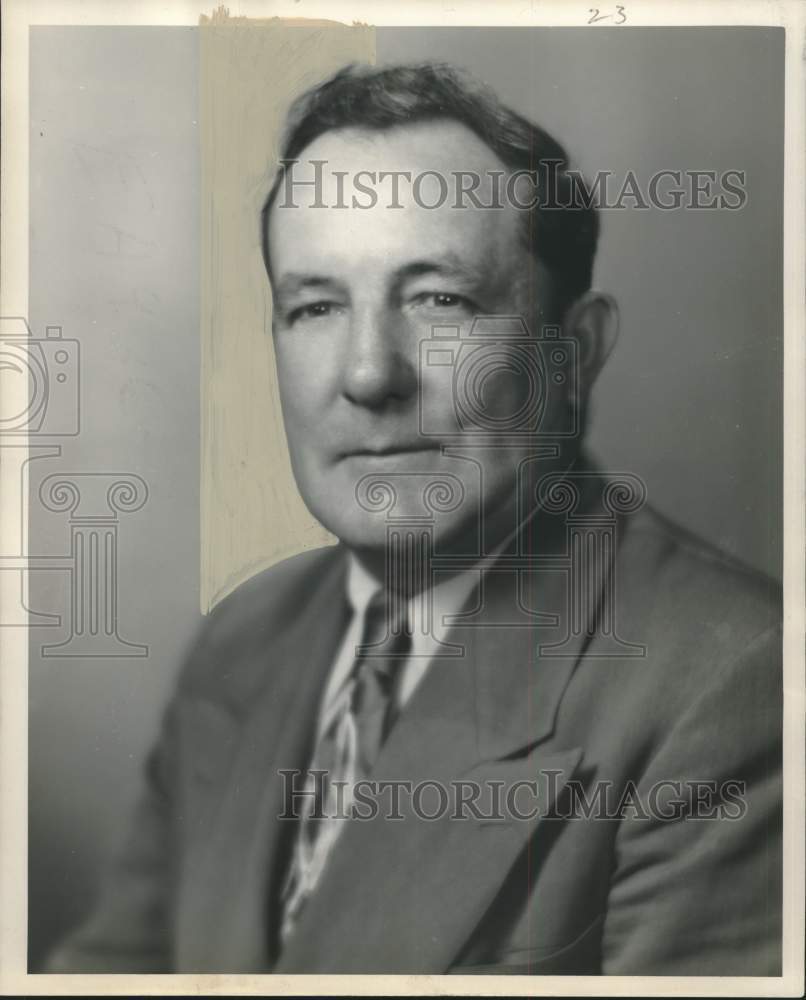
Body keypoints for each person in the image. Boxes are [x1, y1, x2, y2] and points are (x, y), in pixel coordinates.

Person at [45, 62, 782, 976]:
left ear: (574, 352)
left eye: (440, 299)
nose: (367, 375)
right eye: (315, 306)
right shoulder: (245, 640)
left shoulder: (736, 688)